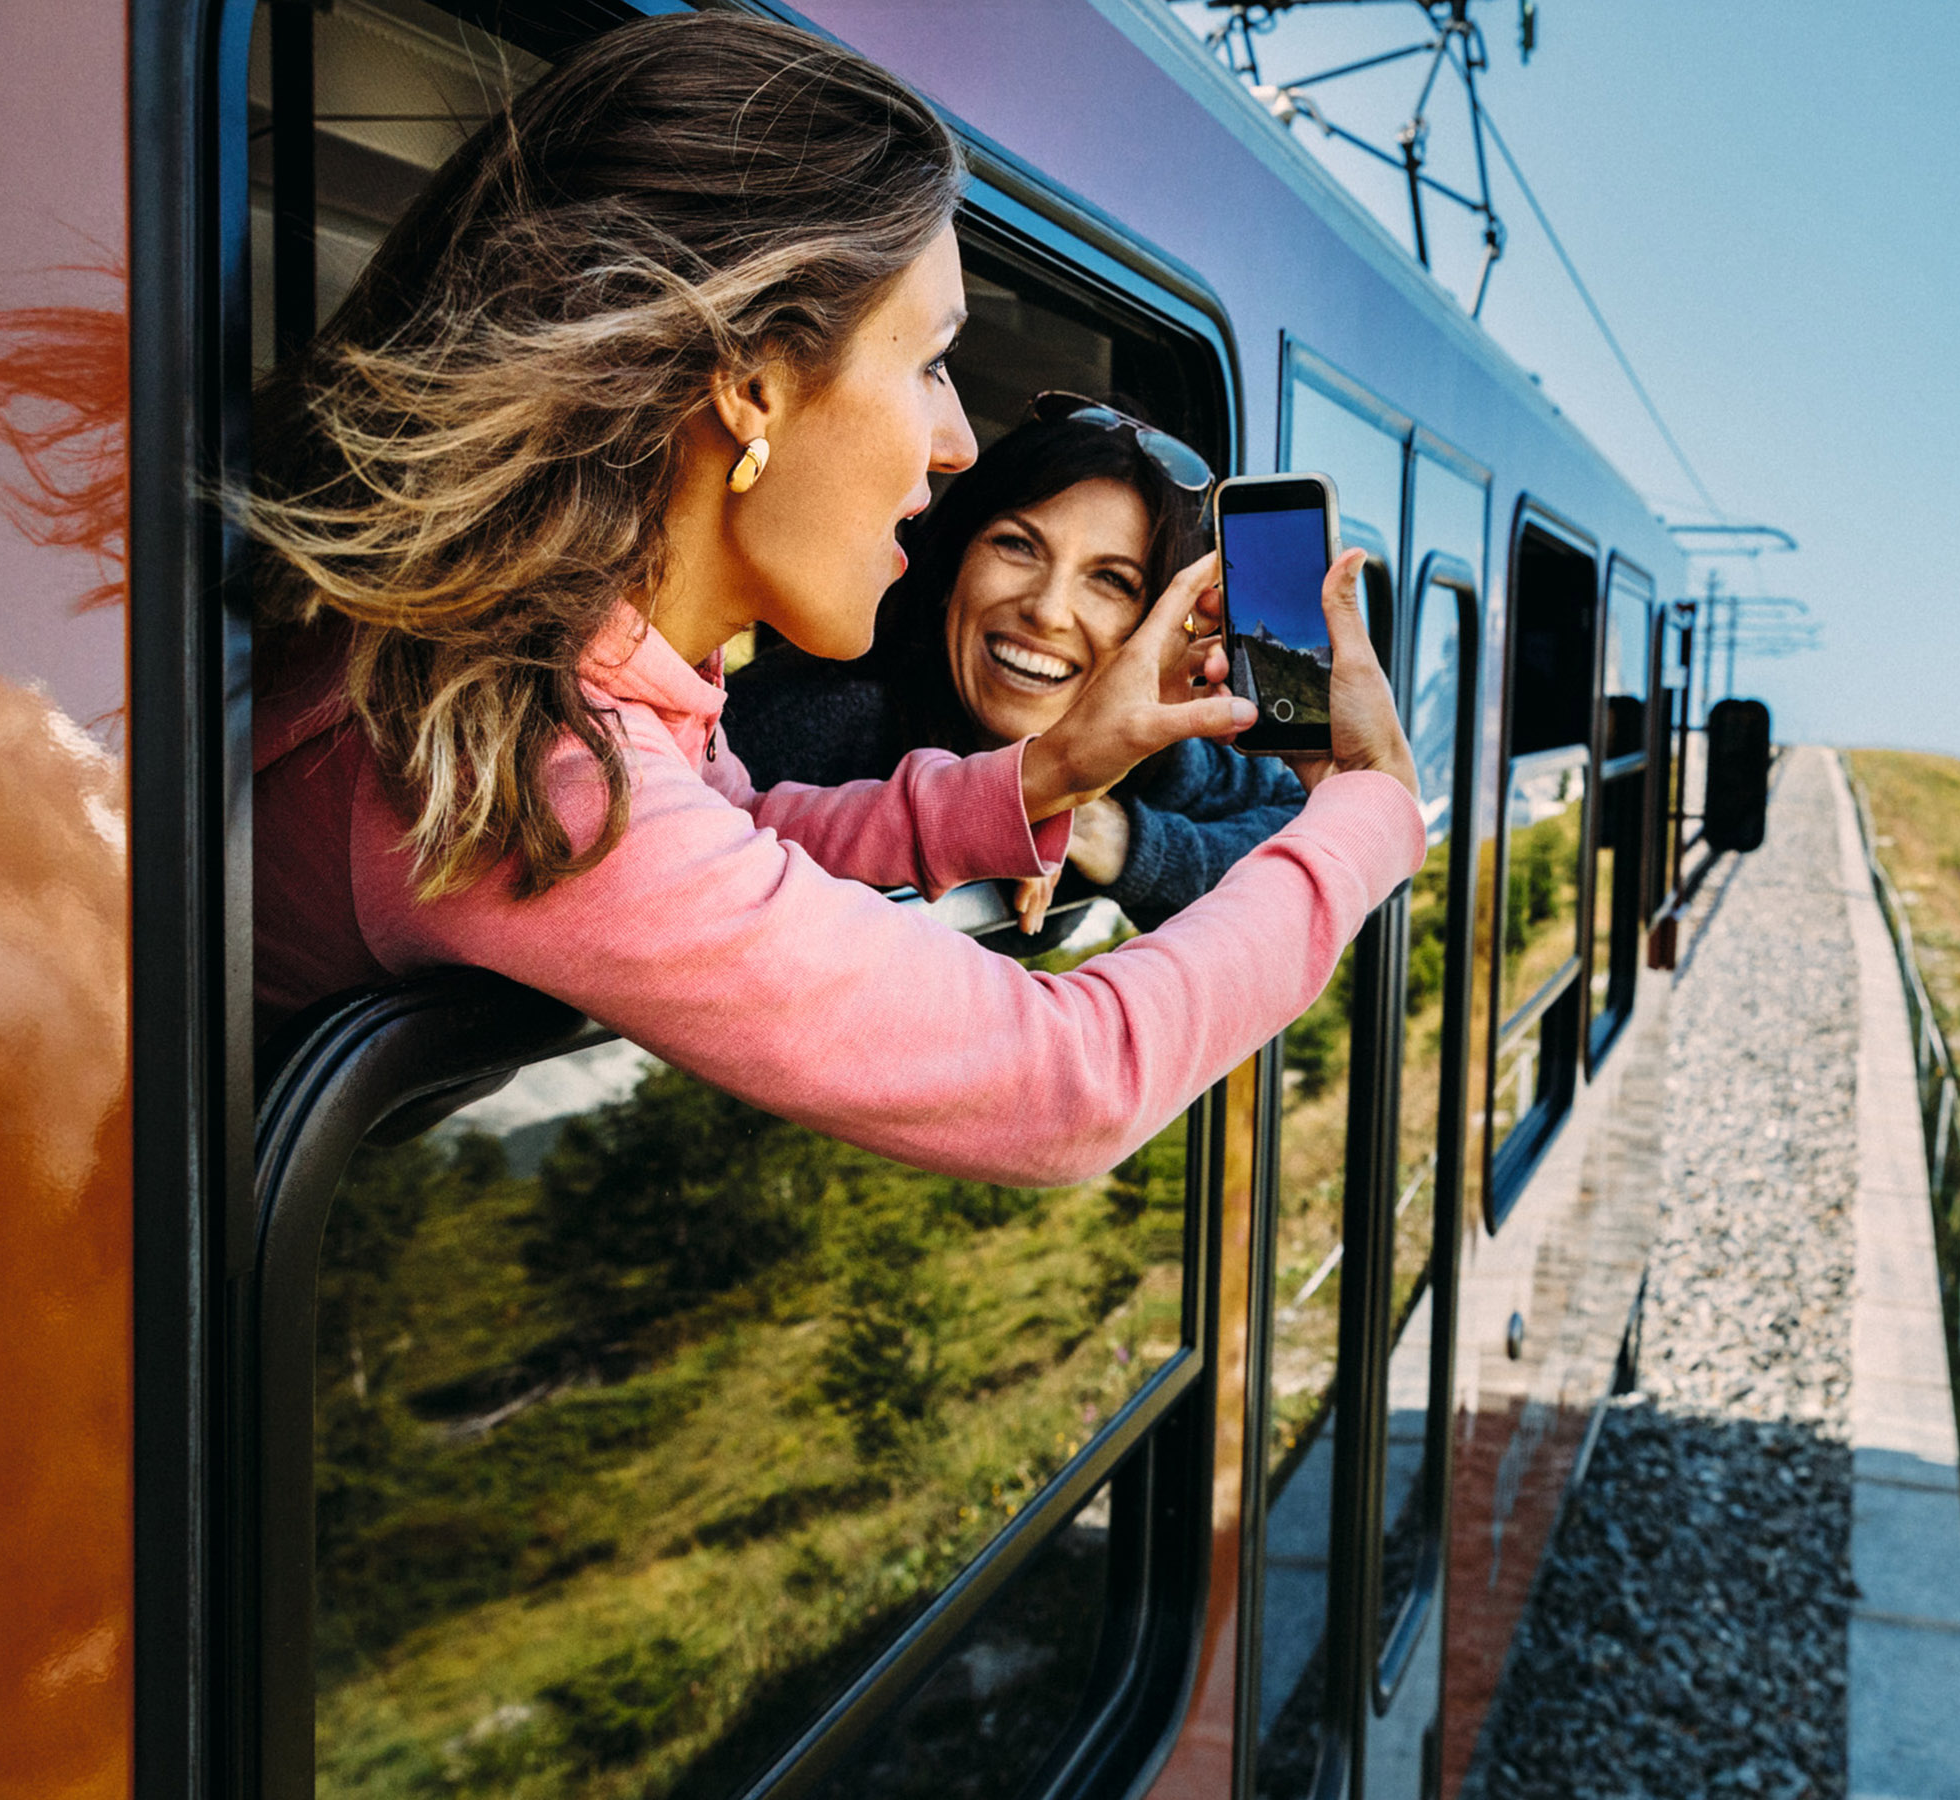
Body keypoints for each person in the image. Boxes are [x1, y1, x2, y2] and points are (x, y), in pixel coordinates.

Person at [243, 14, 1420, 1186]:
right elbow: (1069, 1080)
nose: (959, 442)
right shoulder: (539, 770)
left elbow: (745, 842)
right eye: (930, 365)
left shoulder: (556, 662)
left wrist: (1048, 775)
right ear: (751, 383)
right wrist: (1373, 813)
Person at [727, 397, 1308, 934]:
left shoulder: (1153, 758)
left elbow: (1303, 826)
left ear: (1151, 628)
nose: (1049, 610)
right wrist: (1004, 807)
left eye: (1111, 580)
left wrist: (1123, 840)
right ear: (950, 565)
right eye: (1018, 545)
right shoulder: (818, 719)